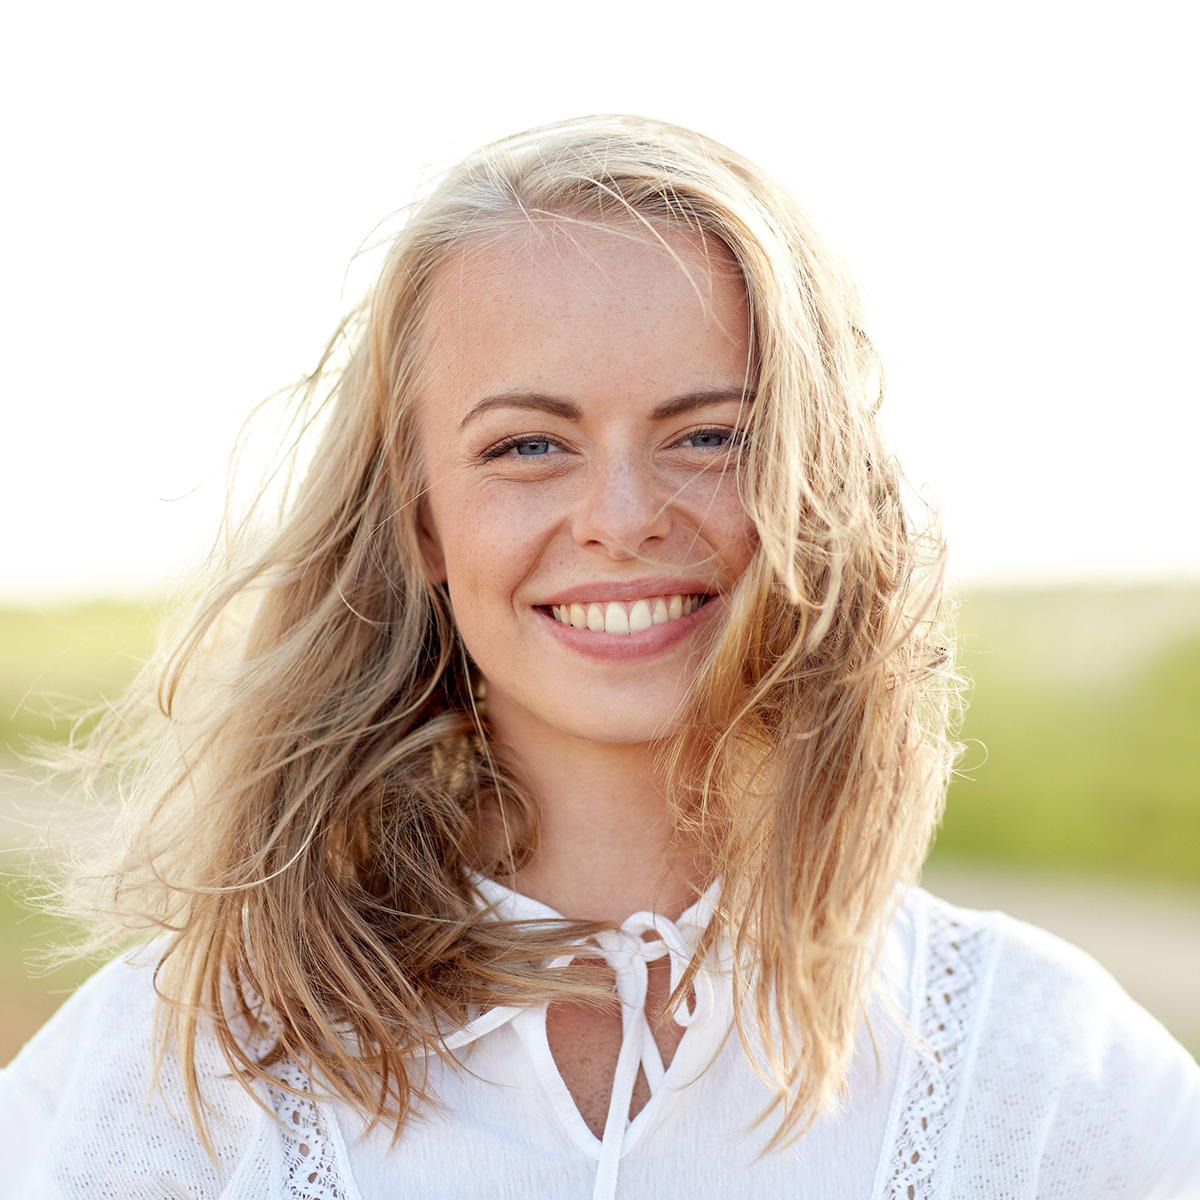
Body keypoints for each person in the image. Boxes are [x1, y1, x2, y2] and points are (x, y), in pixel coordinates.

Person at [3, 115, 1198, 1199]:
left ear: (816, 490)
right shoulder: (174, 1074)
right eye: (527, 444)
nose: (621, 516)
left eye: (711, 435)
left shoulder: (1048, 1073)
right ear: (420, 519)